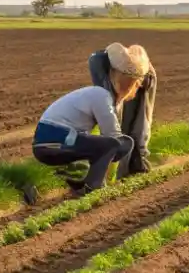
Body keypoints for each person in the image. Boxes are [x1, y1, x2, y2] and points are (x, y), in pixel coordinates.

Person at [27, 45, 149, 202]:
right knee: (115, 144)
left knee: (108, 145)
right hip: (56, 141)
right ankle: (93, 187)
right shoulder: (101, 96)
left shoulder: (93, 93)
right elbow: (112, 135)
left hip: (49, 142)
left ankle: (82, 180)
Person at [88, 42, 156, 178]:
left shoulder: (147, 75)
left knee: (140, 123)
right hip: (109, 83)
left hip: (146, 77)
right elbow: (110, 116)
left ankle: (137, 163)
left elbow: (143, 121)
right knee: (114, 127)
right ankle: (111, 172)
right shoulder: (100, 68)